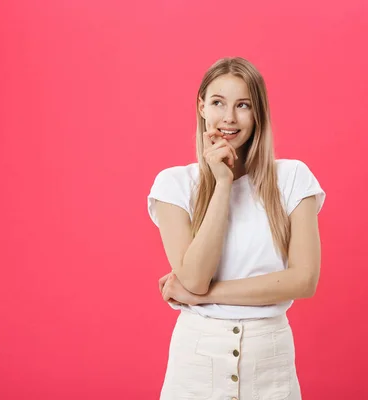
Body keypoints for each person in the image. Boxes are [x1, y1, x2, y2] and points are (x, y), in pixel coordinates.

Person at [147, 56, 325, 400]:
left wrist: (205, 296)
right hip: (196, 364)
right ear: (201, 107)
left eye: (243, 105)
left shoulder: (292, 179)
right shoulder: (174, 184)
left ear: (258, 113)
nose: (228, 118)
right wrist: (223, 183)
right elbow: (195, 278)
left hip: (270, 363)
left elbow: (304, 280)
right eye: (218, 103)